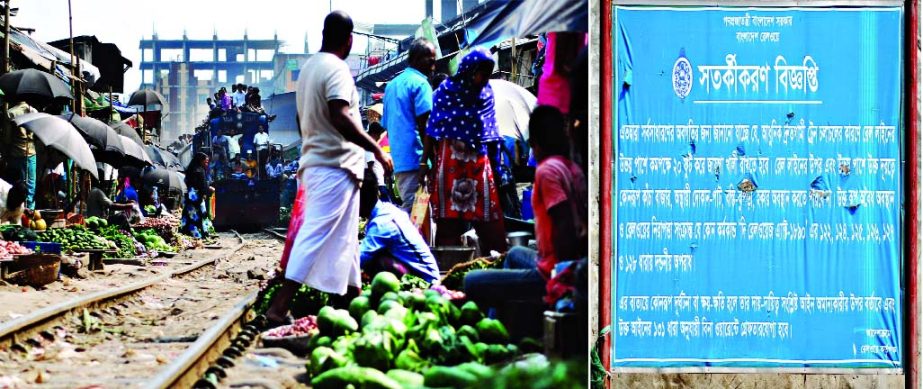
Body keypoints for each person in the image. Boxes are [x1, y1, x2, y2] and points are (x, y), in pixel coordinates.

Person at [265, 11, 393, 326]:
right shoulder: (336, 68)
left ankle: (350, 303)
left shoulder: (309, 69)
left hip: (324, 165)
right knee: (316, 233)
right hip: (333, 167)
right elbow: (339, 114)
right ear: (349, 39)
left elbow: (300, 120)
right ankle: (278, 307)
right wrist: (375, 148)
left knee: (346, 242)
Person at [464, 106, 587, 307]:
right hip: (557, 264)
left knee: (471, 281)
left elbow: (564, 222)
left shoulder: (547, 171)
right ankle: (501, 317)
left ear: (535, 144)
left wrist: (561, 275)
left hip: (554, 274)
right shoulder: (572, 168)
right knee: (514, 254)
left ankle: (497, 329)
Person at [422, 48, 508, 255]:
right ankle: (449, 265)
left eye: (487, 73)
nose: (483, 78)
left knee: (490, 221)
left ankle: (496, 267)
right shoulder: (444, 91)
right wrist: (424, 164)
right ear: (469, 69)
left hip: (479, 165)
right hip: (449, 165)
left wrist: (498, 169)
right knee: (448, 224)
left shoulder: (486, 93)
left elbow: (492, 134)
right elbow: (431, 130)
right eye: (481, 72)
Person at [382, 37, 436, 214]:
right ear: (417, 59)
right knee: (416, 216)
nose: (433, 67)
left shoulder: (391, 86)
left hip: (401, 163)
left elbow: (388, 127)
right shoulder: (420, 83)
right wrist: (428, 162)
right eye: (431, 61)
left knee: (418, 214)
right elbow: (426, 126)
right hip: (417, 162)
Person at [359, 168, 439, 282]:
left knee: (377, 262)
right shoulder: (387, 209)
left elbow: (358, 259)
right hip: (421, 275)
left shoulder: (383, 223)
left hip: (426, 283)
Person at [4, 100, 37, 210]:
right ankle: (29, 213)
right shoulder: (34, 112)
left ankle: (14, 211)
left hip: (15, 153)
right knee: (30, 187)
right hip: (30, 153)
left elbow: (7, 138)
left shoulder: (10, 113)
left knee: (14, 186)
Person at [180, 152, 215, 239]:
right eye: (206, 162)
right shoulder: (200, 170)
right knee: (199, 215)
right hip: (197, 197)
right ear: (200, 160)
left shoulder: (191, 169)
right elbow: (202, 185)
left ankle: (186, 232)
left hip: (190, 196)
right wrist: (208, 189)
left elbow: (189, 182)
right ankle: (200, 234)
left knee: (189, 214)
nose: (207, 164)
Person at [366, 122, 392, 202]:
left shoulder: (368, 146)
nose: (380, 137)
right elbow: (370, 167)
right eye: (379, 134)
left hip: (378, 184)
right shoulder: (370, 147)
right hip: (378, 184)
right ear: (374, 134)